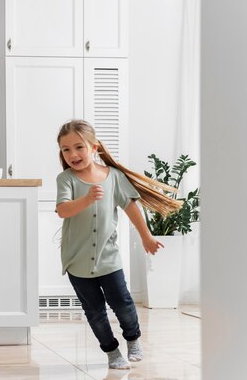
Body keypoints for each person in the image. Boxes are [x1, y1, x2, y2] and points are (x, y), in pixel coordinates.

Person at [55, 120, 182, 370]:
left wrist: (146, 236)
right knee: (95, 312)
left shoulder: (114, 177)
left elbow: (131, 207)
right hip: (77, 261)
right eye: (65, 149)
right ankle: (112, 352)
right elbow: (62, 210)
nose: (72, 154)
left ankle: (133, 339)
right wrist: (87, 199)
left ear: (94, 147)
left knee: (123, 304)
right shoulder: (66, 179)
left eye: (78, 147)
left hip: (108, 257)